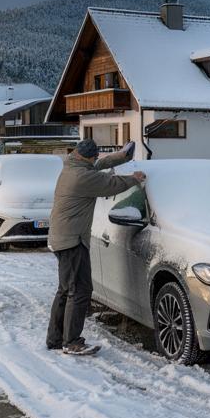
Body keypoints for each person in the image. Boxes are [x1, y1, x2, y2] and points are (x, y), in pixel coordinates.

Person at [46, 138, 145, 356]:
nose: (95, 161)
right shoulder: (82, 177)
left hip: (63, 237)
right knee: (80, 291)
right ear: (87, 157)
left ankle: (55, 339)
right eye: (94, 158)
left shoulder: (73, 165)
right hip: (72, 240)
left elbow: (98, 165)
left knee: (65, 290)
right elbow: (111, 184)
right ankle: (71, 341)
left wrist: (121, 156)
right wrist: (134, 178)